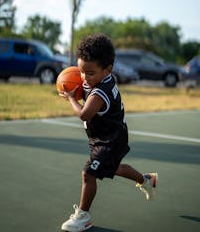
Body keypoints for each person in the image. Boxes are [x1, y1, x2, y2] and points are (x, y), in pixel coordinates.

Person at [59, 34, 158, 232]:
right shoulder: (99, 77)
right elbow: (86, 81)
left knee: (88, 174)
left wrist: (71, 98)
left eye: (90, 73)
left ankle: (83, 217)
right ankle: (147, 180)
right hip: (104, 136)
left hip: (110, 140)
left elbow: (85, 115)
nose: (84, 77)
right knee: (113, 168)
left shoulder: (99, 92)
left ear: (108, 70)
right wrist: (78, 83)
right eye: (80, 71)